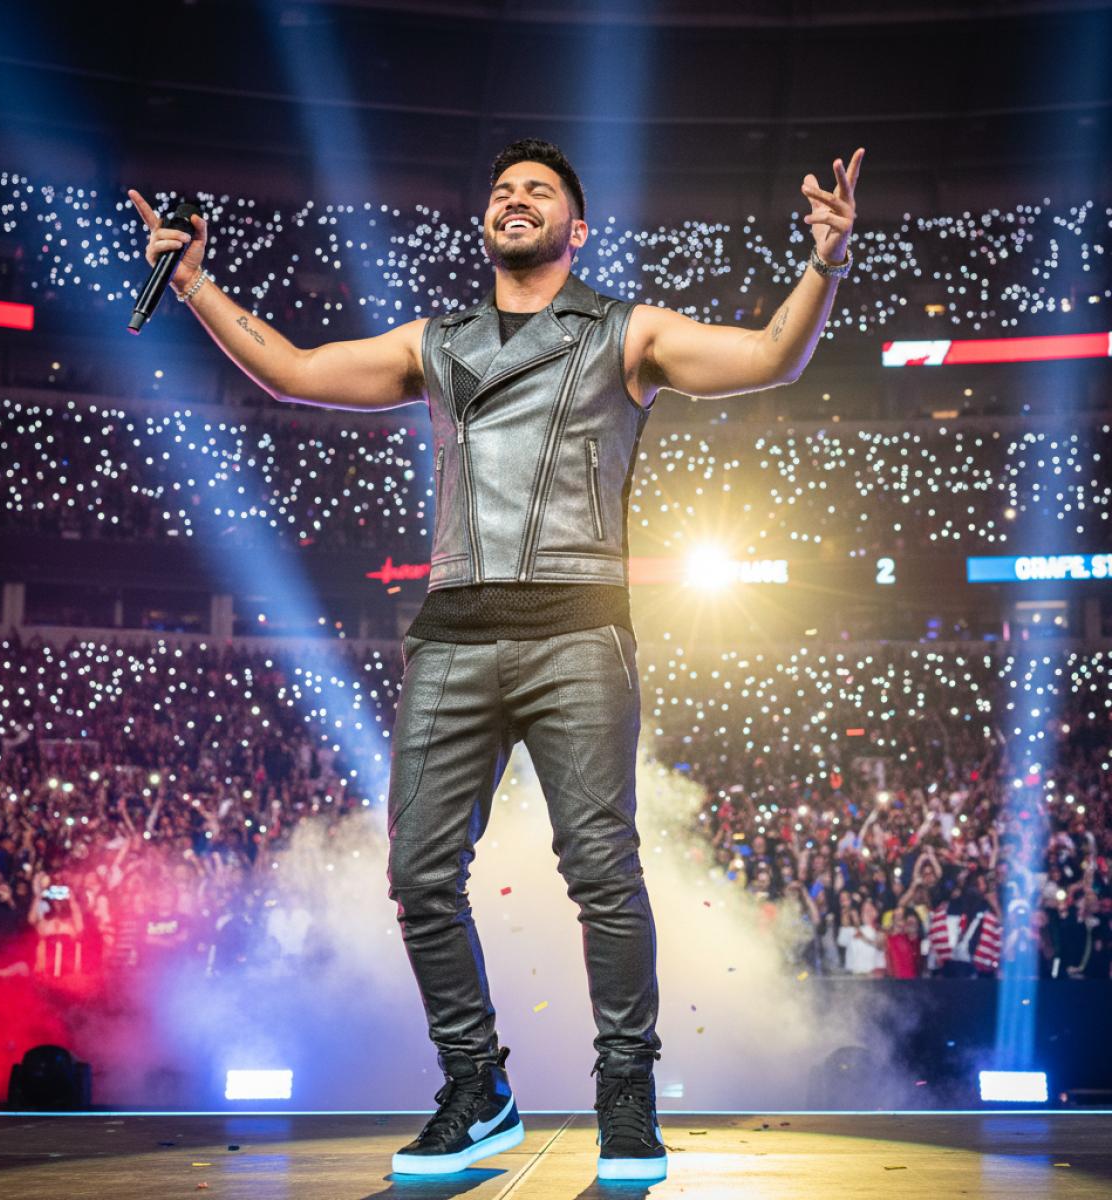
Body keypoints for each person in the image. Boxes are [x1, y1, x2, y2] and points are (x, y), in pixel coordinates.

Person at [129, 136, 863, 1182]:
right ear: (488, 222)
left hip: (579, 631)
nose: (514, 199)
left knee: (603, 874)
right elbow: (292, 374)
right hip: (454, 633)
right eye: (503, 189)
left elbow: (768, 358)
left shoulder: (627, 330)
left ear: (577, 228)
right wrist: (195, 283)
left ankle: (625, 1092)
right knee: (419, 873)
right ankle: (479, 1089)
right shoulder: (438, 340)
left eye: (539, 191)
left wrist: (824, 263)